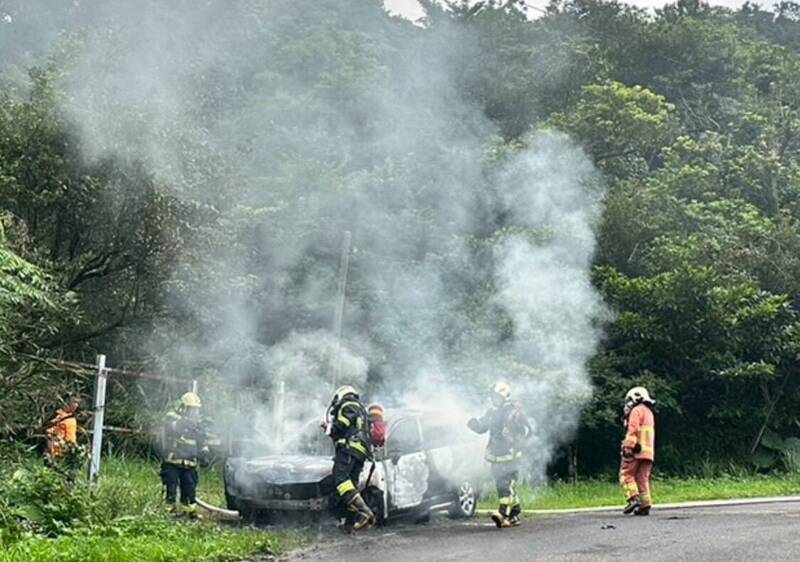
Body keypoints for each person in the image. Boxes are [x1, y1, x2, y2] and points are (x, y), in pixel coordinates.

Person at [468, 382, 531, 528]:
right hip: (495, 456)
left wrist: (515, 437)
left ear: (505, 397)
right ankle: (515, 515)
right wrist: (475, 424)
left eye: (496, 397)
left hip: (511, 456)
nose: (493, 400)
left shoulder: (515, 413)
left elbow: (527, 431)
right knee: (503, 486)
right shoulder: (492, 412)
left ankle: (502, 514)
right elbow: (483, 425)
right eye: (492, 397)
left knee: (505, 485)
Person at [324, 385, 375, 531]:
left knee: (341, 480)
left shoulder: (348, 404)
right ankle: (349, 524)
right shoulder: (362, 409)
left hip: (349, 449)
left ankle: (365, 511)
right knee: (350, 486)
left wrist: (329, 427)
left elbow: (342, 424)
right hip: (359, 452)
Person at [160, 392, 212, 518]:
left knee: (189, 489)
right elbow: (172, 428)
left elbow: (202, 441)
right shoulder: (172, 417)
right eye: (191, 409)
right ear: (183, 407)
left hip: (190, 463)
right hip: (173, 461)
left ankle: (189, 513)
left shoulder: (198, 423)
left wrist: (205, 454)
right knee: (171, 489)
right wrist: (185, 422)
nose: (193, 412)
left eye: (195, 410)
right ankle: (169, 514)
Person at [619, 386, 656, 516]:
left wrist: (628, 446)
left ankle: (633, 498)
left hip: (635, 450)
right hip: (648, 453)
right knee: (642, 478)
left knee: (626, 475)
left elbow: (633, 429)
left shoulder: (636, 411)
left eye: (629, 400)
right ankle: (645, 505)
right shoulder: (649, 413)